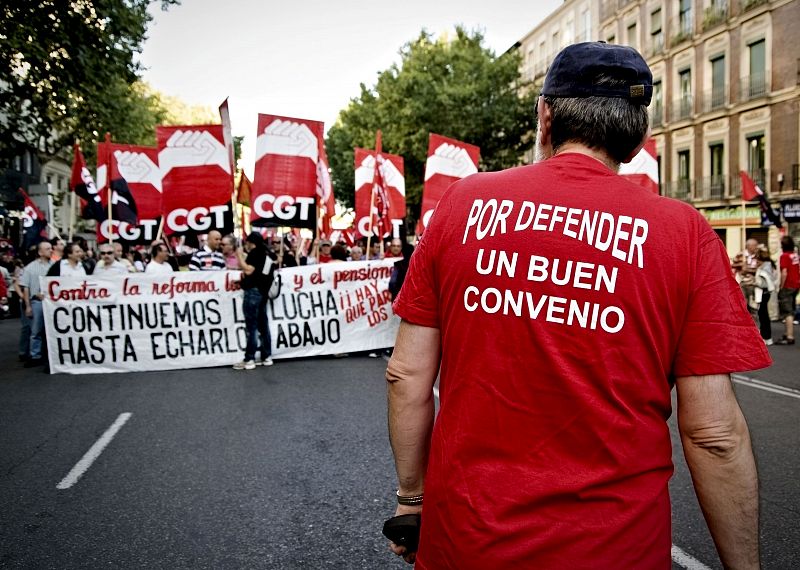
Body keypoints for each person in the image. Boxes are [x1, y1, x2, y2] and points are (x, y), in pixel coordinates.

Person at [386, 41, 770, 569]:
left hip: (468, 541)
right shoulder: (684, 235)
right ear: (637, 138)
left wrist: (412, 499)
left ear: (545, 116)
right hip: (614, 550)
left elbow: (407, 375)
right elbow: (714, 432)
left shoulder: (463, 204)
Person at [233, 232, 276, 370]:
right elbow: (260, 275)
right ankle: (266, 356)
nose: (246, 245)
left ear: (252, 243)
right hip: (263, 294)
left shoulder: (255, 254)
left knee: (251, 327)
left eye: (247, 242)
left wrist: (238, 256)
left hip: (252, 293)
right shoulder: (267, 256)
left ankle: (249, 359)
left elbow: (248, 271)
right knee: (263, 325)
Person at [20, 241, 53, 367]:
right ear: (40, 252)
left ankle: (48, 354)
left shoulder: (54, 265)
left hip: (51, 302)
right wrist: (28, 306)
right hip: (37, 302)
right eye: (47, 249)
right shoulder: (30, 268)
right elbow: (26, 288)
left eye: (51, 248)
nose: (51, 250)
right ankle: (35, 355)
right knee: (36, 330)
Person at [776, 235, 799, 345]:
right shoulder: (795, 255)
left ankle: (790, 336)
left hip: (788, 285)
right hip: (796, 285)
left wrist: (781, 286)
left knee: (787, 311)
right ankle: (787, 333)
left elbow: (784, 272)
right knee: (791, 308)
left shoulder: (784, 256)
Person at [754, 246, 776, 345]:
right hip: (766, 293)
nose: (756, 262)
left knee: (763, 315)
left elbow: (764, 283)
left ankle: (766, 337)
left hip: (764, 293)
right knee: (763, 315)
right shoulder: (769, 265)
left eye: (757, 259)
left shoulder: (765, 268)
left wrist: (753, 282)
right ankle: (766, 337)